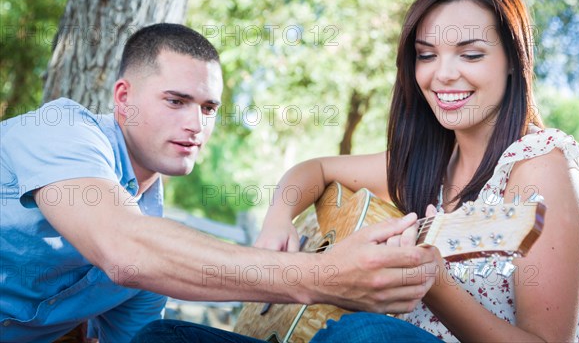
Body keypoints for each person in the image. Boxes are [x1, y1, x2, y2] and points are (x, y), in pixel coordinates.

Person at [134, 0, 579, 342]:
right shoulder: (427, 165)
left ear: (513, 61)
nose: (442, 74)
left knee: (363, 331)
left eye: (470, 54)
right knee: (162, 334)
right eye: (426, 55)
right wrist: (278, 219)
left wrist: (434, 280)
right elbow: (312, 171)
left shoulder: (543, 165)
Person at [0, 23, 439, 342]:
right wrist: (323, 275)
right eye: (176, 101)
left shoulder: (153, 239)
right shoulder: (60, 129)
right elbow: (124, 248)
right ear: (124, 98)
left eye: (209, 108)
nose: (195, 124)